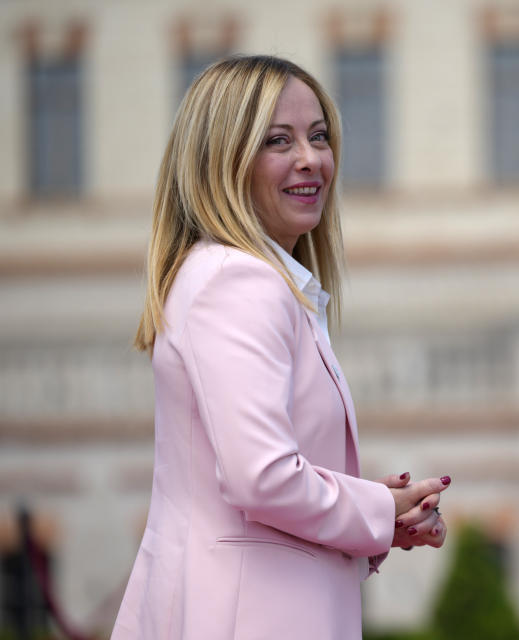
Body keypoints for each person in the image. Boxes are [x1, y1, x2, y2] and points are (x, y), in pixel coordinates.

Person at [112, 55, 450, 640]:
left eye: (319, 136)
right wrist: (376, 508)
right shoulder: (238, 282)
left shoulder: (238, 278)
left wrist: (378, 518)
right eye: (278, 141)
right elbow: (262, 478)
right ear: (223, 161)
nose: (311, 159)